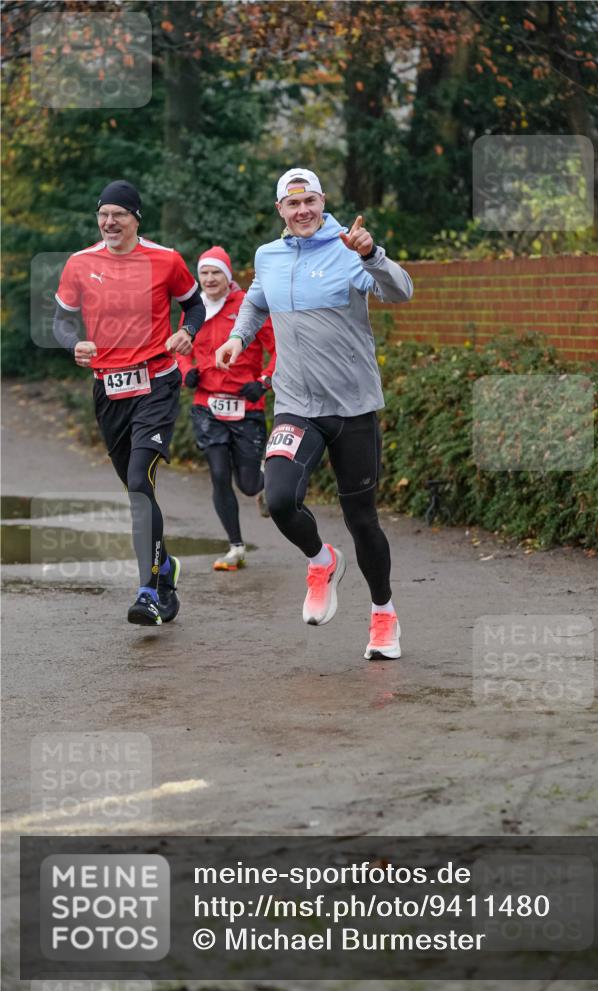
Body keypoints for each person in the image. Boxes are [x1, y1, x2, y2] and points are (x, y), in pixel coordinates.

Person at [215, 168, 413, 659]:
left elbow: (401, 291)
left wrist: (371, 254)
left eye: (310, 202)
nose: (302, 211)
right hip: (297, 407)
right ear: (280, 210)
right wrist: (239, 337)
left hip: (352, 408)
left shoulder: (348, 248)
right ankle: (321, 560)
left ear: (322, 202)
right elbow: (256, 303)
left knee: (362, 520)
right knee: (279, 499)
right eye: (292, 203)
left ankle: (383, 615)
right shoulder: (269, 256)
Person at [52, 179, 205, 626]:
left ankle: (148, 591)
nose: (109, 221)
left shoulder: (166, 260)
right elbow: (61, 320)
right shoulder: (80, 264)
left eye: (119, 213)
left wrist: (187, 332)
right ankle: (167, 573)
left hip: (156, 384)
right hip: (109, 391)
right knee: (135, 489)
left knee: (140, 483)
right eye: (103, 214)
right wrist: (72, 344)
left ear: (137, 218)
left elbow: (194, 306)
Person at [178, 246, 275, 570]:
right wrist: (185, 370)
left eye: (216, 272)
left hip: (246, 405)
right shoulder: (194, 309)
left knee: (248, 484)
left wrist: (263, 381)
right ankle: (235, 547)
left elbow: (279, 350)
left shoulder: (249, 305)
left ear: (228, 276)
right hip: (207, 404)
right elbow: (180, 348)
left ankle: (267, 482)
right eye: (204, 273)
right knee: (219, 475)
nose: (209, 279)